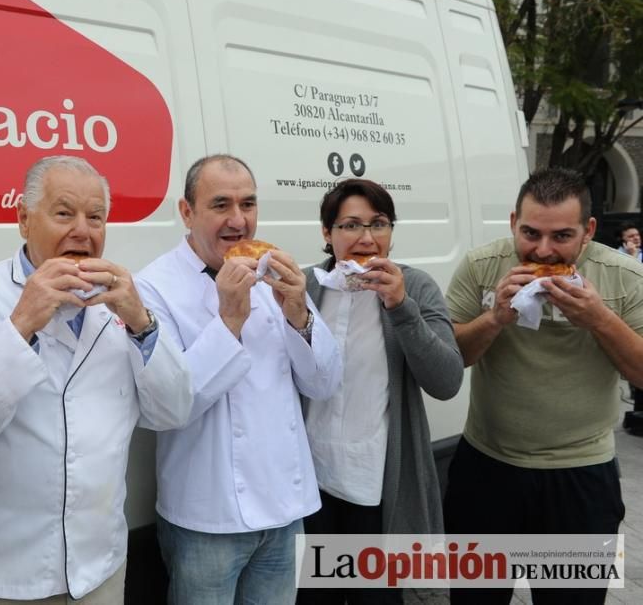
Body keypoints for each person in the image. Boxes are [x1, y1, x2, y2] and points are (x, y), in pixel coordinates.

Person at [0, 155, 192, 604]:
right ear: (23, 219)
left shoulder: (124, 301)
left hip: (102, 571)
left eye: (96, 217)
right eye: (63, 212)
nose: (83, 230)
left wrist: (141, 323)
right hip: (2, 577)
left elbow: (173, 410)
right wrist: (21, 326)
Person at [134, 154, 343, 604]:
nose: (238, 220)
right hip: (206, 518)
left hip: (285, 511)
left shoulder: (272, 271)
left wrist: (300, 314)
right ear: (187, 212)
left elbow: (323, 384)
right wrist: (229, 318)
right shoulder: (153, 287)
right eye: (220, 205)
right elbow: (169, 407)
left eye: (248, 204)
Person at [443, 167, 643, 604]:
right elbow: (452, 359)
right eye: (530, 233)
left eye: (562, 236)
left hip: (581, 475)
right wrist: (495, 317)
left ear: (588, 230)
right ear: (514, 221)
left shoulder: (623, 276)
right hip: (488, 469)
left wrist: (598, 319)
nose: (544, 250)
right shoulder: (482, 266)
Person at [296, 179, 463, 605]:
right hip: (311, 484)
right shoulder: (306, 287)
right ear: (326, 233)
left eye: (379, 224)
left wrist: (401, 307)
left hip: (378, 486)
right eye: (350, 225)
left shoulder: (415, 287)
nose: (367, 238)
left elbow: (447, 382)